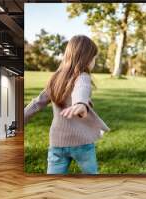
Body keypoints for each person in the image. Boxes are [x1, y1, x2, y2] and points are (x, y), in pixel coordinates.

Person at [24, 35, 110, 175]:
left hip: (57, 142)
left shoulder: (55, 78)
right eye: (94, 58)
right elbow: (82, 88)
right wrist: (80, 103)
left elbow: (37, 103)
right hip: (82, 142)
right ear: (86, 58)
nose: (94, 62)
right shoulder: (82, 76)